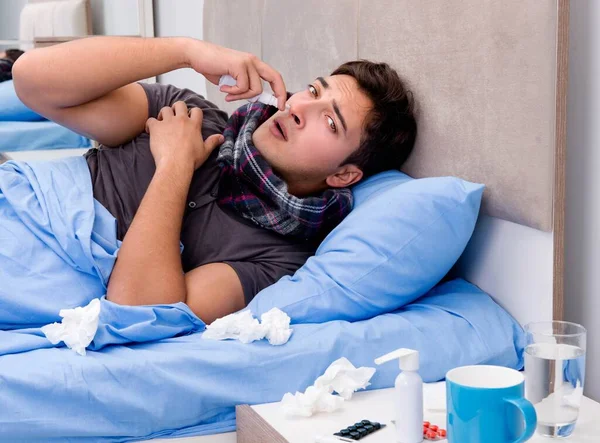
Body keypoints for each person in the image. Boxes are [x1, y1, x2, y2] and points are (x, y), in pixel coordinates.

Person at [12, 36, 416, 324]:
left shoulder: (279, 261)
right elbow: (31, 79)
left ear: (344, 174)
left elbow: (137, 308)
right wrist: (186, 51)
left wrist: (174, 166)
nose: (298, 107)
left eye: (329, 121)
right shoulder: (194, 115)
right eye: (312, 90)